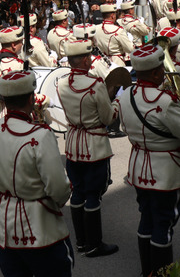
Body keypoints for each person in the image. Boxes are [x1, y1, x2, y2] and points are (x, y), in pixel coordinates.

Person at [0, 71, 74, 277]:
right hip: (40, 227)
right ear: (31, 98)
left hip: (2, 225)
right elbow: (59, 189)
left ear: (3, 99)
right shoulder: (41, 135)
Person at [119, 44, 180, 276]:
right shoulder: (164, 101)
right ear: (156, 73)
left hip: (138, 167)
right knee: (163, 224)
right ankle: (162, 273)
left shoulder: (126, 95)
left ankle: (147, 271)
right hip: (166, 171)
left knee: (146, 217)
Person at [57, 39, 120, 258]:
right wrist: (115, 103)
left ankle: (81, 241)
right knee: (93, 194)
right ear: (85, 60)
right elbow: (108, 117)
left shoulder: (61, 83)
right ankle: (94, 244)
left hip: (73, 142)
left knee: (78, 191)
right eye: (90, 57)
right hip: (94, 144)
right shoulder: (96, 84)